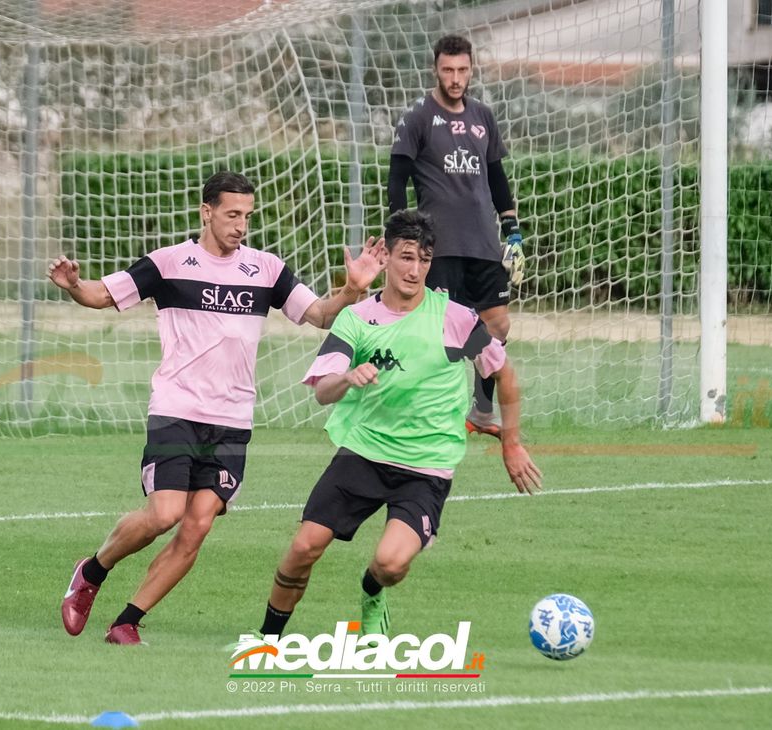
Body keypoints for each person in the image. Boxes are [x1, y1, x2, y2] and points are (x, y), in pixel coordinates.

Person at [48, 170, 386, 645]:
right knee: (164, 514)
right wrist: (73, 286)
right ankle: (92, 572)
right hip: (177, 408)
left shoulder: (266, 269)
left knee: (198, 526)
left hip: (232, 420)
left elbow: (319, 315)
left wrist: (352, 289)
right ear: (206, 212)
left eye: (247, 216)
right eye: (232, 215)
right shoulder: (169, 263)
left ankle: (127, 621)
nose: (240, 225)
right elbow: (101, 295)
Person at [254, 209, 541, 641]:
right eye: (406, 257)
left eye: (424, 260)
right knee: (303, 547)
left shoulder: (455, 318)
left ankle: (372, 592)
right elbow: (323, 390)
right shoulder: (356, 318)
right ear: (386, 257)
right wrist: (348, 377)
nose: (415, 270)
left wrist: (511, 443)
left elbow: (504, 373)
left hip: (425, 466)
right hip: (363, 454)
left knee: (389, 564)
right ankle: (267, 641)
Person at [388, 34, 524, 439]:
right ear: (436, 69)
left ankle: (481, 410)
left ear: (471, 70)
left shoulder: (483, 116)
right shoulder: (417, 116)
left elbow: (496, 176)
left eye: (462, 70)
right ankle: (421, 411)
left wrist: (512, 229)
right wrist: (400, 234)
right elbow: (397, 179)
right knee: (437, 332)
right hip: (439, 247)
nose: (455, 78)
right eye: (448, 70)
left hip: (483, 242)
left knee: (497, 326)